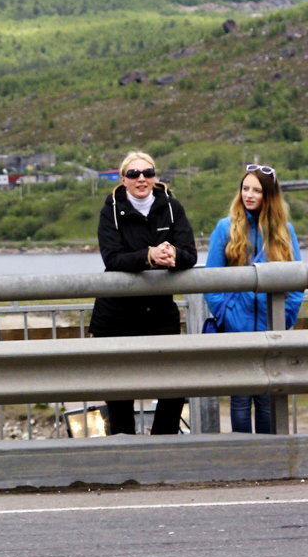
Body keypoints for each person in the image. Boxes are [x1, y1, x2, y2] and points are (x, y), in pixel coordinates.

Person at [89, 152, 197, 435]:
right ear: (123, 179)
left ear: (155, 177)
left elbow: (190, 254)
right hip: (116, 316)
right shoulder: (110, 210)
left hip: (159, 313)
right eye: (134, 174)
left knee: (173, 385)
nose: (141, 179)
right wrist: (149, 256)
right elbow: (112, 258)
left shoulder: (172, 207)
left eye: (147, 173)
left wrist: (173, 255)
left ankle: (164, 443)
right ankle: (125, 454)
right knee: (120, 393)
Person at [204, 164, 303, 433]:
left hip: (273, 329)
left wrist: (285, 316)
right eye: (245, 188)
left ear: (268, 195)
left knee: (268, 397)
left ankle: (268, 458)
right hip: (237, 329)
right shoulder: (226, 228)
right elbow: (209, 280)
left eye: (256, 190)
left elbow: (297, 281)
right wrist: (228, 313)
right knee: (240, 399)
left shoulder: (285, 231)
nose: (248, 194)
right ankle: (242, 458)